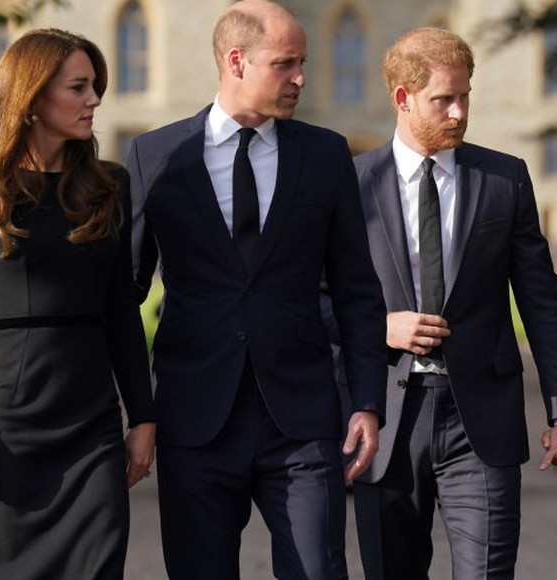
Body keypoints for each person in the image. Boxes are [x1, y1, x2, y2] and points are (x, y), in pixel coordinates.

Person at [125, 1, 387, 578]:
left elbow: (357, 292)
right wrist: (135, 411)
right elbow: (125, 294)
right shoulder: (155, 156)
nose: (300, 78)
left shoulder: (324, 155)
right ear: (237, 61)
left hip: (303, 423)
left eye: (304, 63)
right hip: (194, 420)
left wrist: (366, 402)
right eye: (286, 63)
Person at [350, 27, 557, 580]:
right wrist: (381, 327)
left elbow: (542, 303)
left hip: (479, 421)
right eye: (443, 100)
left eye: (466, 96)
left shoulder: (505, 179)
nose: (459, 112)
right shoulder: (351, 183)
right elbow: (313, 298)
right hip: (387, 417)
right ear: (402, 98)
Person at [0, 28, 156, 579]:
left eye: (95, 87)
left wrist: (143, 417)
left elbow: (122, 311)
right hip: (13, 423)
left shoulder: (110, 186)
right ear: (33, 98)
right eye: (79, 88)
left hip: (93, 425)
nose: (95, 101)